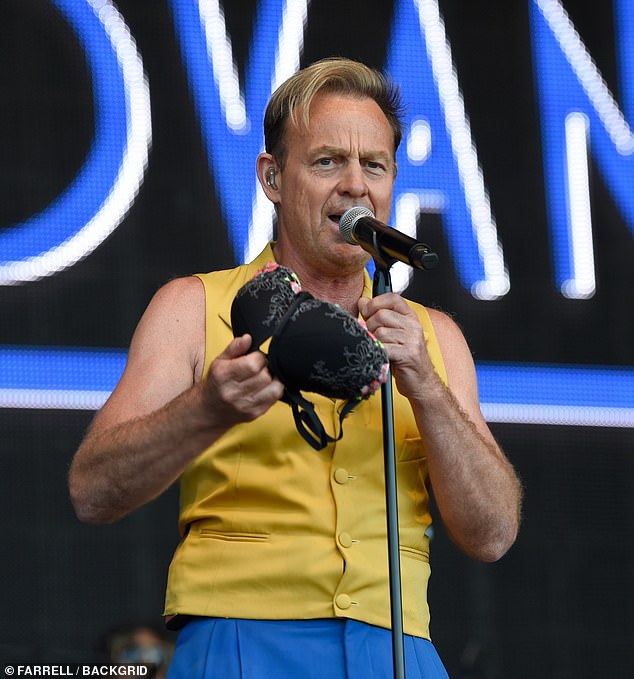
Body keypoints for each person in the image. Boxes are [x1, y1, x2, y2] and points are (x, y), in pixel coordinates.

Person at [69, 57, 522, 678]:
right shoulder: (194, 306)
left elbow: (493, 534)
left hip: (395, 651)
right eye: (328, 161)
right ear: (272, 177)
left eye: (375, 165)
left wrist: (429, 391)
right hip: (240, 643)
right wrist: (206, 410)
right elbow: (93, 492)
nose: (356, 186)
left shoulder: (433, 337)